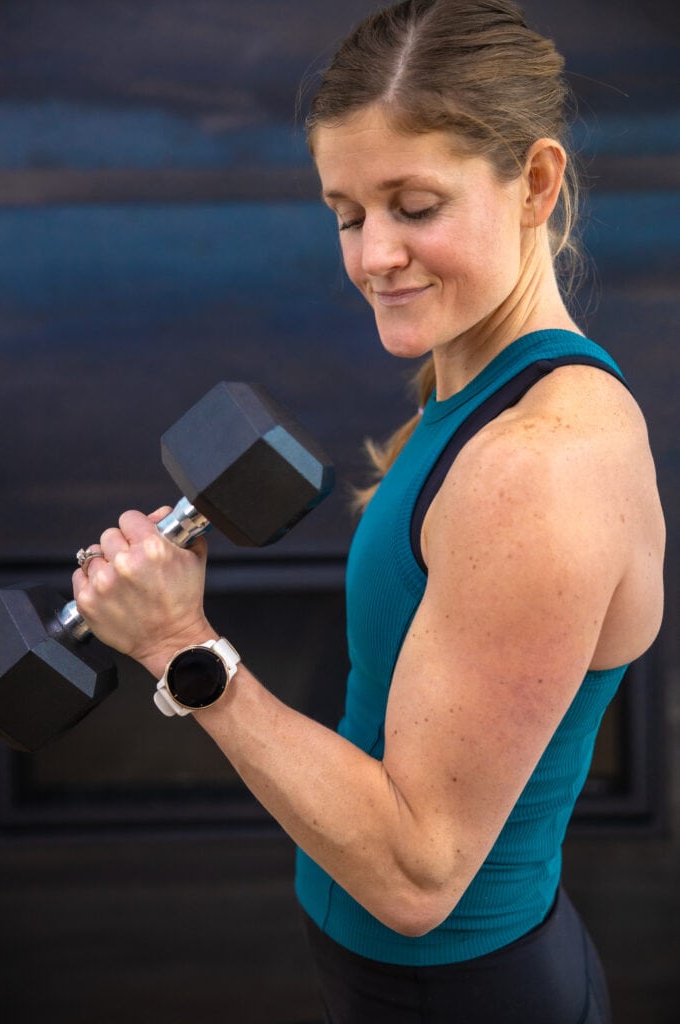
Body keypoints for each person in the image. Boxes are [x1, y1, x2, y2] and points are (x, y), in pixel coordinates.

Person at [72, 1, 665, 1021]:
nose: (371, 256)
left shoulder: (537, 467)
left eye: (414, 204)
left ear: (532, 183)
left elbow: (416, 877)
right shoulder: (482, 390)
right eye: (348, 213)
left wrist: (183, 647)